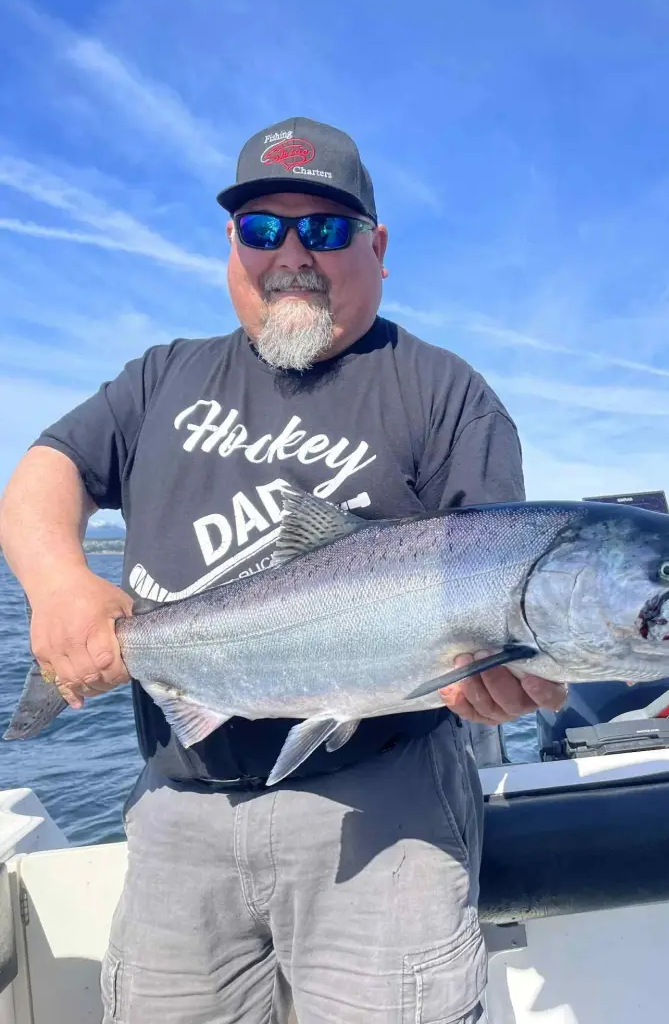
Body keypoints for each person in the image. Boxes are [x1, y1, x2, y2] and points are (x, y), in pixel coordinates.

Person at [0, 117, 566, 1024]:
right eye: (264, 228)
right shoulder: (163, 377)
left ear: (378, 247)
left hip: (385, 811)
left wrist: (497, 674)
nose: (293, 254)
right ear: (233, 244)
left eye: (326, 229)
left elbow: (493, 581)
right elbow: (45, 470)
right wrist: (60, 584)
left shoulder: (445, 392)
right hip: (179, 812)